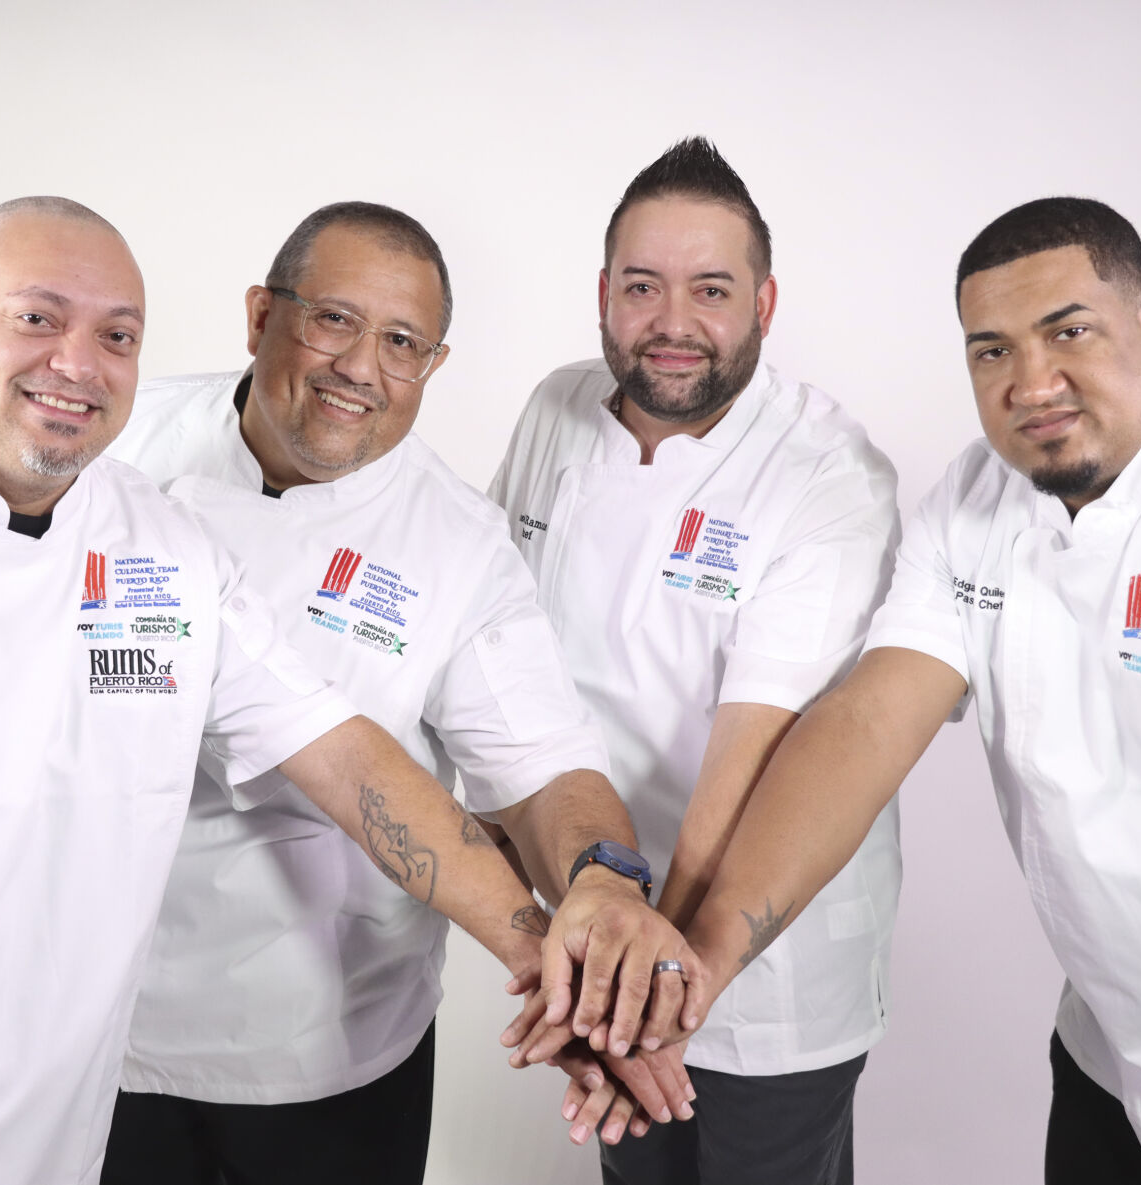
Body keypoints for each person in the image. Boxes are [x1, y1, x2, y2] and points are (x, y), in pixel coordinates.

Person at [0, 197, 569, 1185]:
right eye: (37, 317)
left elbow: (351, 764)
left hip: (39, 1150)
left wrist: (551, 958)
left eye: (117, 336)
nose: (76, 363)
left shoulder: (163, 547)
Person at [675, 197, 1141, 1184]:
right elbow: (864, 724)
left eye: (1068, 332)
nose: (1030, 383)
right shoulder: (976, 499)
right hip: (1107, 1068)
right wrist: (701, 964)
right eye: (992, 351)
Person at [98, 201, 697, 1183]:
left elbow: (544, 766)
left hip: (325, 1047)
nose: (361, 367)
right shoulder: (114, 448)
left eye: (402, 343)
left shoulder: (457, 542)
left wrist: (599, 881)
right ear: (260, 317)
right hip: (90, 1024)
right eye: (333, 320)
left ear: (433, 366)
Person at [490, 139, 903, 1185]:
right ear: (602, 294)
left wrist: (638, 987)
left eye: (710, 290)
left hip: (765, 972)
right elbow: (494, 652)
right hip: (597, 932)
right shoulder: (554, 411)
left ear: (764, 304)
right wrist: (585, 952)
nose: (672, 323)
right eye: (643, 286)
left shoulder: (827, 474)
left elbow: (753, 759)